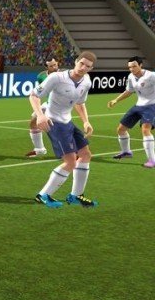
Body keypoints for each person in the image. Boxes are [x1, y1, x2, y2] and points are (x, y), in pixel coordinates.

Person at [30, 51, 97, 208]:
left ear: (91, 68)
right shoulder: (57, 78)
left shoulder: (87, 81)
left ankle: (76, 196)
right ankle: (43, 195)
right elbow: (34, 95)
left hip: (68, 122)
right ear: (76, 61)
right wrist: (40, 115)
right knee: (70, 161)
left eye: (87, 66)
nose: (83, 67)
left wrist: (86, 121)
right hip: (54, 122)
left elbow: (80, 103)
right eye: (81, 63)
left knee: (85, 155)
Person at [107, 56, 155, 167]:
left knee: (145, 130)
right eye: (129, 67)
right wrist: (116, 100)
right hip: (138, 105)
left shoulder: (151, 76)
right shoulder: (131, 77)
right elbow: (129, 91)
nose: (132, 69)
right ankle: (126, 152)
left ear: (140, 65)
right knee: (121, 129)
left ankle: (152, 160)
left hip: (152, 106)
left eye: (134, 66)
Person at [25, 58, 59, 157]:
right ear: (46, 67)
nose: (54, 67)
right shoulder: (41, 76)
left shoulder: (63, 75)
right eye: (51, 66)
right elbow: (42, 90)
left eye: (55, 64)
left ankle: (73, 151)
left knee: (59, 127)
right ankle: (39, 149)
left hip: (59, 105)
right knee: (33, 123)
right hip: (48, 103)